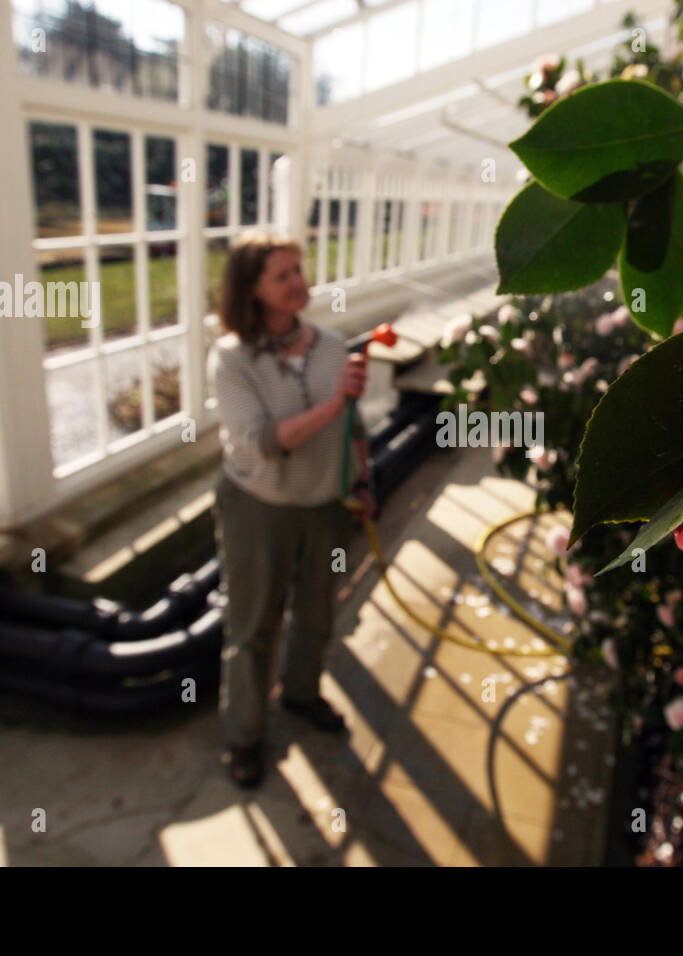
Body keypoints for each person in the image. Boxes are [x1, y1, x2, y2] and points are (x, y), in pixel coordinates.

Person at [207, 232, 375, 789]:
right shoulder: (232, 360)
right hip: (260, 509)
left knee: (319, 611)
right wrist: (333, 404)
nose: (299, 282)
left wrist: (363, 480)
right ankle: (246, 735)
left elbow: (355, 425)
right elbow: (258, 442)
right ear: (251, 288)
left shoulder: (331, 346)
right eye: (283, 275)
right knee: (253, 623)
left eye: (299, 270)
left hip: (325, 505)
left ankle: (301, 695)